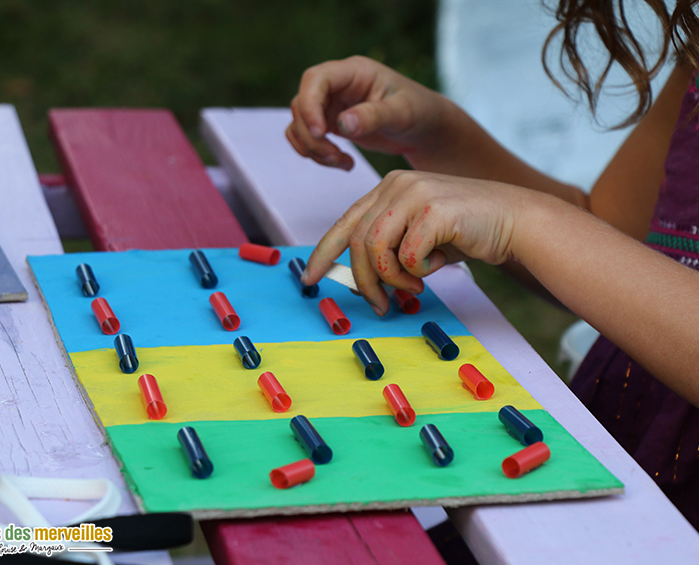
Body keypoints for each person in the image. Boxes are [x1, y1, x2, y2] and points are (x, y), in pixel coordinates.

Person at [285, 1, 699, 529]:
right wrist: (441, 136)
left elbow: (557, 235)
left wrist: (524, 221)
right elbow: (610, 247)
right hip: (606, 468)